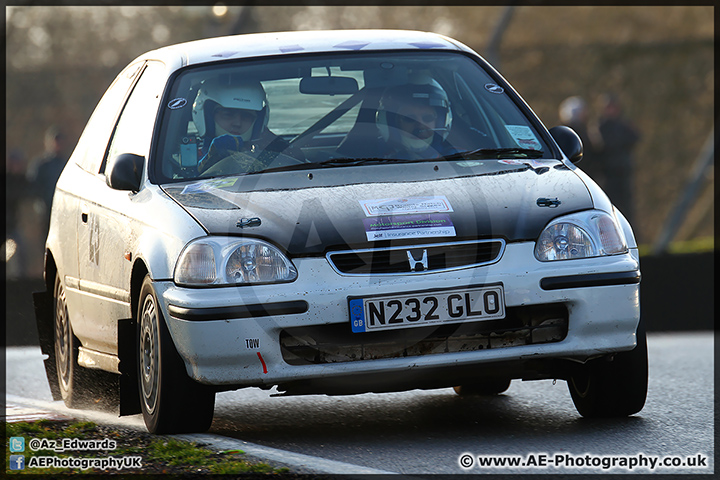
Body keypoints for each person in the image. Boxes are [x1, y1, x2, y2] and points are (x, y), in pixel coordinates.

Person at [192, 79, 299, 175]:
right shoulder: (185, 163)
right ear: (208, 117)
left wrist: (276, 148)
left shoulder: (275, 152)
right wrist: (210, 162)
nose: (237, 123)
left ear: (258, 122)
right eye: (227, 114)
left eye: (247, 116)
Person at [376, 82, 458, 160]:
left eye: (428, 118)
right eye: (410, 119)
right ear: (392, 123)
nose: (420, 126)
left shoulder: (457, 159)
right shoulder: (371, 161)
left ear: (440, 123)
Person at [594, 93, 641, 225]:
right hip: (608, 173)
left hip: (624, 171)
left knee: (627, 207)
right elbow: (603, 145)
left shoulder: (623, 124)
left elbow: (635, 138)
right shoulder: (601, 126)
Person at [26, 126, 69, 232]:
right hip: (46, 212)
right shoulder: (41, 165)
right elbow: (32, 186)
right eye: (55, 141)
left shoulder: (66, 164)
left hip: (63, 211)